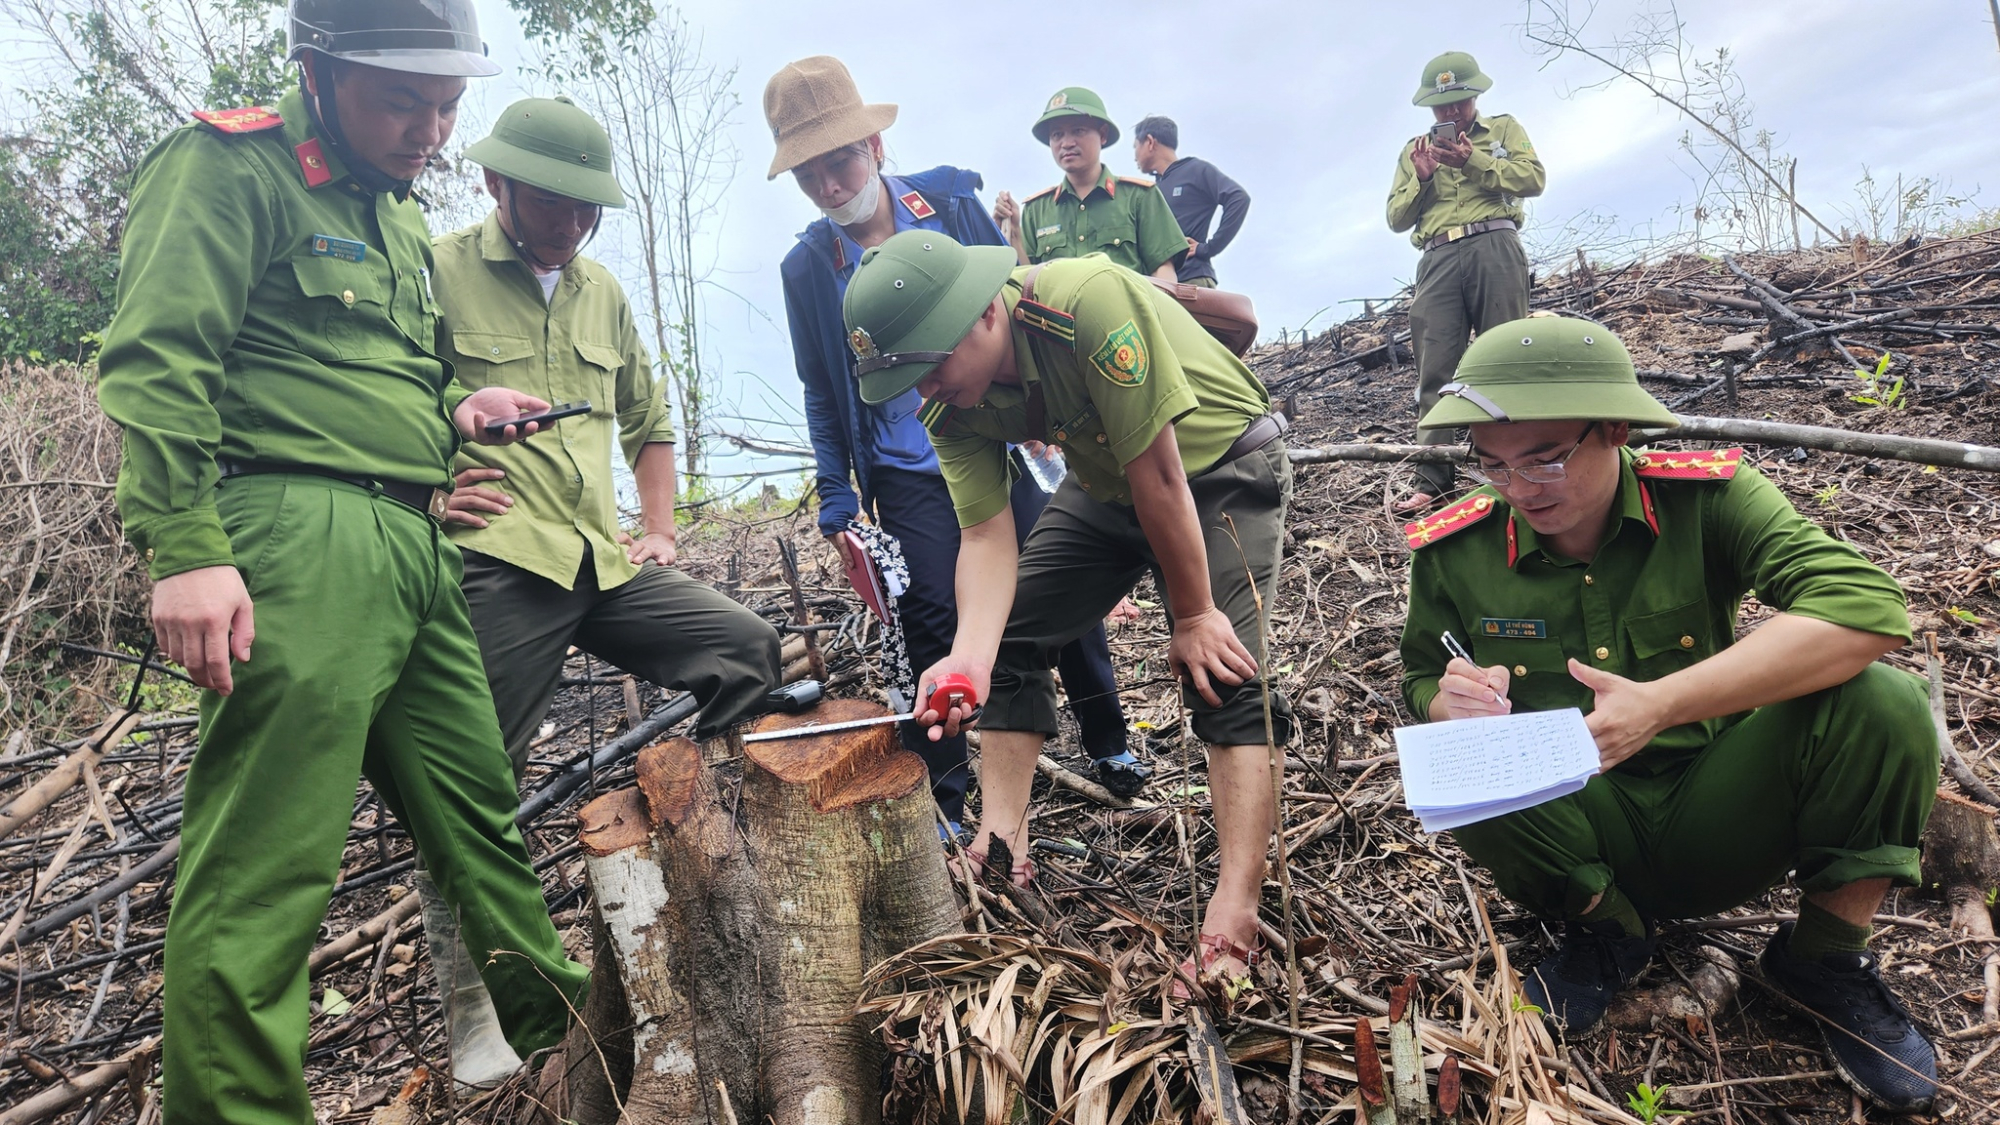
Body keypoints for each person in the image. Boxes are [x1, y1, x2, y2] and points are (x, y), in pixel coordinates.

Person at [93, 2, 590, 1121]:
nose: (431, 128)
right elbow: (158, 360)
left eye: (448, 104)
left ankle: (585, 1065)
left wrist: (456, 415)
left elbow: (362, 368)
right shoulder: (230, 167)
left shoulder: (397, 213)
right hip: (290, 542)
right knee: (265, 875)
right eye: (401, 100)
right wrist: (184, 551)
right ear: (317, 72)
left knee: (482, 832)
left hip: (413, 546)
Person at [1398, 318, 1940, 1112]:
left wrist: (1662, 705)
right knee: (1452, 756)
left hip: (1715, 806)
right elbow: (1418, 673)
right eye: (1492, 463)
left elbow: (1865, 608)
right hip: (1572, 825)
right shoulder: (1454, 546)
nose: (1518, 488)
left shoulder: (1706, 497)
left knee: (1882, 702)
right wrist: (1450, 701)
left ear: (1615, 430)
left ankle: (1822, 959)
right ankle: (1605, 931)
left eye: (1545, 458)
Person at [425, 95, 784, 1085]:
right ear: (499, 184)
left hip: (600, 560)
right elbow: (392, 398)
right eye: (555, 204)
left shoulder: (602, 292)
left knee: (744, 651)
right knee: (471, 784)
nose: (573, 224)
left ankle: (722, 879)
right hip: (498, 556)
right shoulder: (437, 272)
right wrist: (424, 481)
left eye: (588, 209)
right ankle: (478, 1012)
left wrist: (660, 529)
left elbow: (648, 419)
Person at [842, 231, 1296, 986]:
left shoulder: (1085, 302)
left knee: (1225, 671)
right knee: (1015, 634)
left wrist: (1192, 614)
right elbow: (987, 536)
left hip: (1219, 464)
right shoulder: (952, 409)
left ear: (987, 311)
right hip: (1109, 478)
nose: (924, 390)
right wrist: (970, 658)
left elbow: (1161, 472)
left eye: (930, 365)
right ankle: (999, 840)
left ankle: (1237, 903)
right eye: (906, 378)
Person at [767, 57, 1144, 822]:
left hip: (995, 432)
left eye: (839, 162)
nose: (830, 187)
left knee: (1052, 581)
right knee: (931, 611)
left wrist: (1056, 424)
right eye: (809, 175)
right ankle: (942, 789)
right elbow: (820, 383)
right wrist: (838, 491)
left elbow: (1014, 296)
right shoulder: (809, 266)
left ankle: (1108, 737)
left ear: (873, 146)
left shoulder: (944, 203)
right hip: (905, 461)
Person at [1385, 51, 1545, 512]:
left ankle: (1517, 470)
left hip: (1494, 245)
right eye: (1441, 105)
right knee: (1434, 371)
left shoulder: (1504, 130)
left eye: (1459, 101)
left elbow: (1533, 179)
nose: (1450, 112)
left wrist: (1473, 159)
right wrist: (1420, 177)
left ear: (1475, 95)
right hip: (1437, 257)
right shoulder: (1413, 151)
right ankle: (1433, 481)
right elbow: (1395, 217)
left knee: (1505, 360)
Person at [993, 87, 1187, 281]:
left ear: (1102, 135)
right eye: (1057, 135)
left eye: (1078, 130)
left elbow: (1164, 273)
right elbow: (1027, 281)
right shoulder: (1037, 210)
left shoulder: (1139, 197)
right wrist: (1015, 234)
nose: (1066, 143)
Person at [1131, 115, 1250, 288]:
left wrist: (1208, 248)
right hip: (1158, 287)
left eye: (1135, 147)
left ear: (1149, 142)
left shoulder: (1195, 170)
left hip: (1191, 281)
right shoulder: (1152, 189)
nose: (1134, 156)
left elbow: (1238, 197)